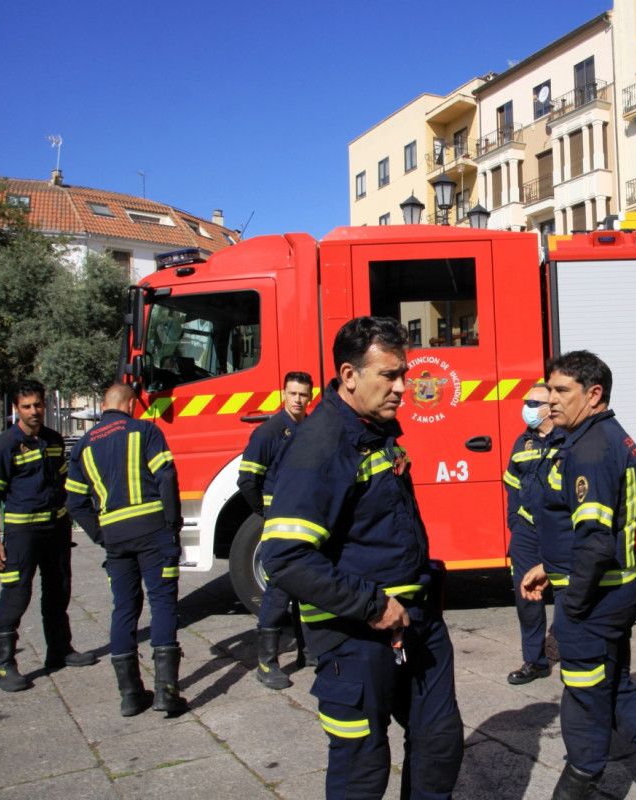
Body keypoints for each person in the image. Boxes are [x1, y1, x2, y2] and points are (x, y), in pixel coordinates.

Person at [260, 316, 463, 800]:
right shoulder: (321, 445)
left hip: (415, 620)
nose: (402, 388)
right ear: (349, 376)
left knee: (438, 744)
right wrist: (371, 606)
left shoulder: (375, 428)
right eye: (389, 376)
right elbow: (285, 558)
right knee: (362, 769)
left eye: (404, 374)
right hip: (354, 636)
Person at [521, 351, 636, 800]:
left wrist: (571, 612)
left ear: (593, 394)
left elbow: (597, 543)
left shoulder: (592, 448)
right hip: (613, 593)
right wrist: (552, 566)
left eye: (562, 391)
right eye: (550, 390)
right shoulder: (598, 437)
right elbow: (592, 530)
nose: (550, 400)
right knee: (616, 685)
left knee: (582, 700)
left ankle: (581, 780)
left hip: (595, 600)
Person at [66, 383, 188, 716]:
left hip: (115, 539)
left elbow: (75, 502)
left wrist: (102, 535)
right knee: (162, 603)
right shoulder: (144, 430)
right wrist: (172, 526)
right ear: (132, 404)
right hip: (152, 531)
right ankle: (166, 694)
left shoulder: (83, 446)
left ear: (104, 405)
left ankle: (131, 696)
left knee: (124, 608)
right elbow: (166, 477)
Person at [0, 380, 96, 692]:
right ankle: (4, 665)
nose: (34, 411)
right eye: (27, 406)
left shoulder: (54, 440)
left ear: (45, 405)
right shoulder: (4, 446)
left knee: (58, 591)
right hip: (22, 535)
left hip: (55, 531)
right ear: (16, 409)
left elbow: (63, 482)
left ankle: (59, 650)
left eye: (38, 405)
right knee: (16, 596)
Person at [238, 371, 314, 689]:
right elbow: (246, 480)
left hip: (308, 522)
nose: (298, 399)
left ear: (310, 397)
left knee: (310, 589)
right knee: (279, 589)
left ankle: (308, 652)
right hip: (281, 524)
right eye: (293, 393)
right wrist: (267, 513)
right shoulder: (268, 432)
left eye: (304, 395)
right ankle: (266, 663)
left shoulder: (311, 430)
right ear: (283, 393)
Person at [502, 382, 564, 685]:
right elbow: (511, 483)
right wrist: (514, 520)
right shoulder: (522, 442)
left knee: (568, 594)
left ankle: (577, 657)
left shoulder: (568, 439)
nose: (526, 407)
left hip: (560, 530)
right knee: (527, 597)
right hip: (526, 531)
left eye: (533, 402)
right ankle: (535, 660)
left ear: (550, 407)